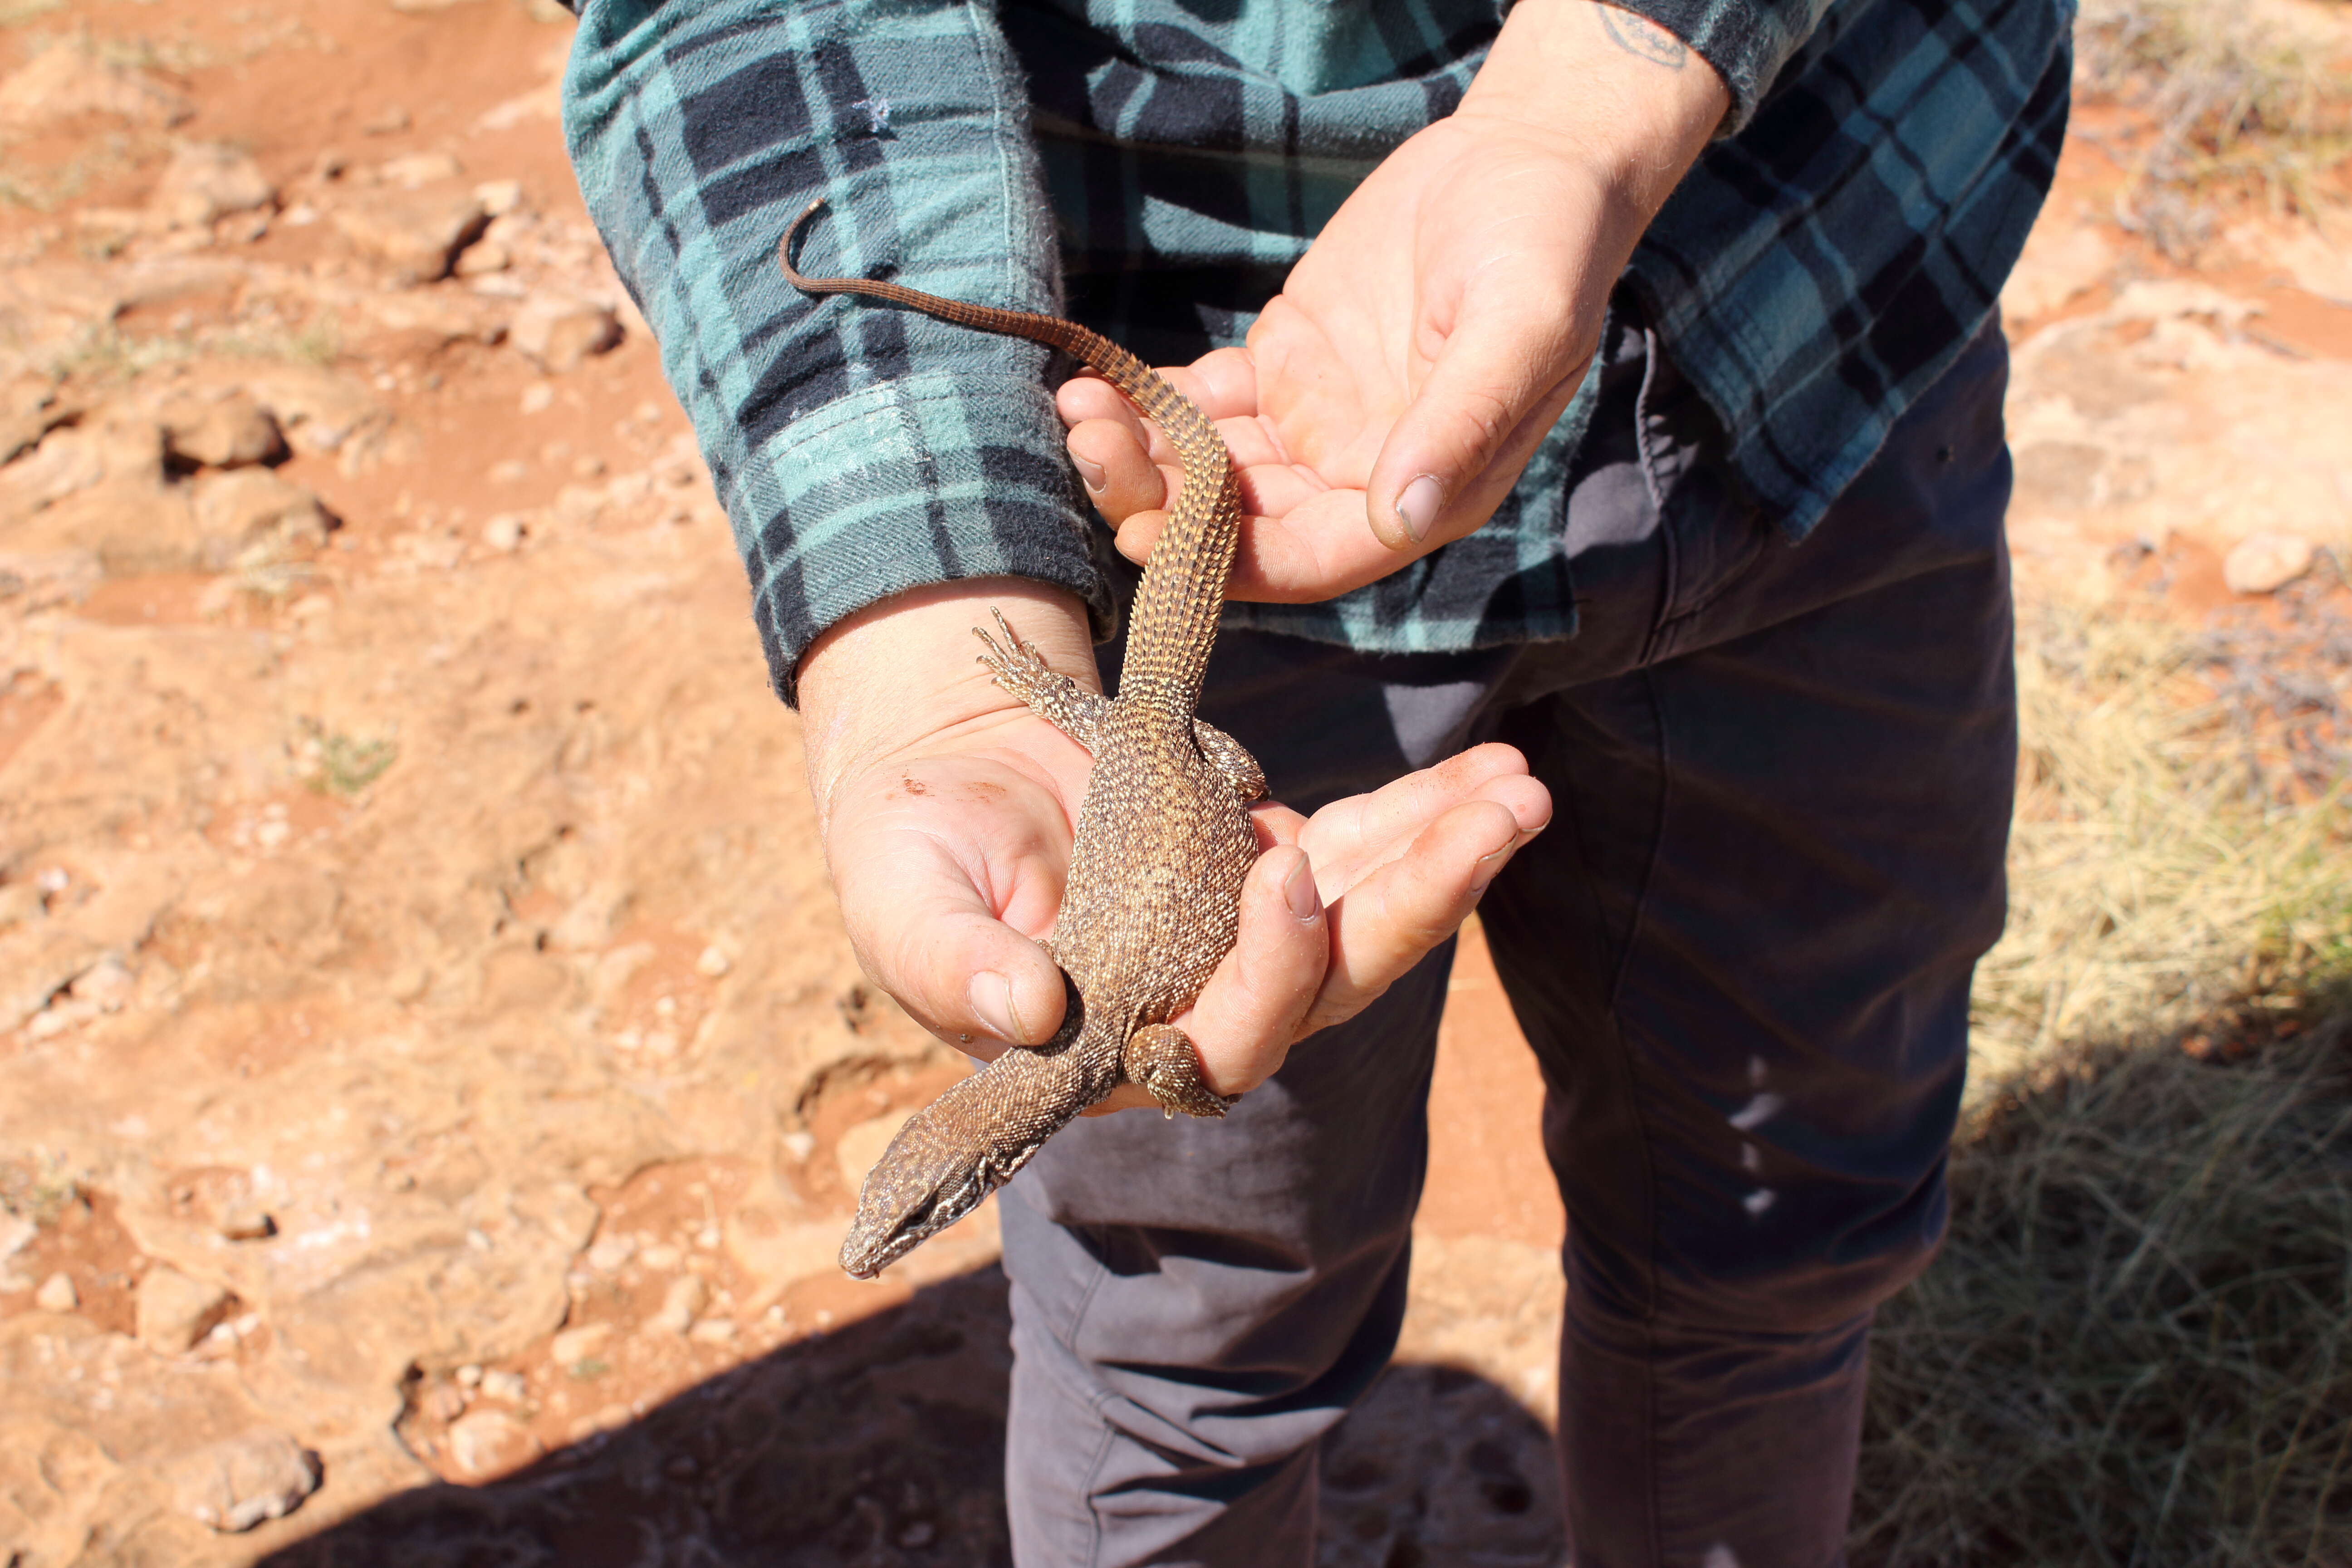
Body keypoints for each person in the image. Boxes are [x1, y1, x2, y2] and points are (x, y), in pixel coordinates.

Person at [559, 0, 2070, 1558]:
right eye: (915, 1215)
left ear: (988, 1155)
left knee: (1777, 1243)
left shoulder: (1091, 1046)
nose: (907, 1238)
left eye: (918, 1212)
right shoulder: (1085, 1043)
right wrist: (943, 656)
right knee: (1188, 1355)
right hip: (1203, 453)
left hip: (1833, 296)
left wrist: (1577, 112)